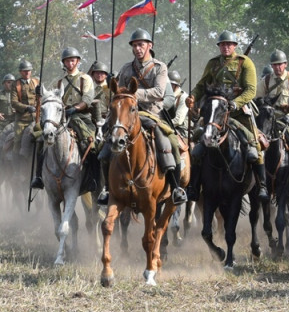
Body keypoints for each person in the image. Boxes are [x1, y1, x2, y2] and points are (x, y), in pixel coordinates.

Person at [97, 29, 186, 206]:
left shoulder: (160, 67)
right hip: (126, 116)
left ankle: (176, 188)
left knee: (171, 143)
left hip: (151, 114)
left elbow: (159, 92)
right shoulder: (126, 68)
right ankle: (107, 188)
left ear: (149, 46)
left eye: (141, 45)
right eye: (135, 45)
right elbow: (118, 94)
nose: (138, 48)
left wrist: (134, 95)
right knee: (103, 150)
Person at [187, 30, 268, 202]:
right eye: (223, 44)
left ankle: (262, 186)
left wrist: (235, 103)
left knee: (255, 145)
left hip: (239, 113)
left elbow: (251, 90)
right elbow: (201, 85)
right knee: (197, 144)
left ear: (235, 46)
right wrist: (192, 97)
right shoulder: (213, 63)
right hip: (216, 113)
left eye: (229, 44)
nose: (226, 47)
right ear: (219, 46)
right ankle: (193, 187)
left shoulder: (245, 63)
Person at [29, 47, 95, 190]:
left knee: (90, 143)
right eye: (67, 61)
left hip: (81, 116)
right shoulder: (58, 81)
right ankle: (39, 177)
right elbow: (50, 97)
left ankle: (92, 178)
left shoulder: (86, 79)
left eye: (72, 60)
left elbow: (88, 99)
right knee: (40, 138)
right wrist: (40, 92)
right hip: (59, 117)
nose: (70, 64)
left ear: (77, 61)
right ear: (63, 63)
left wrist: (75, 108)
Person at [257, 49, 289, 150]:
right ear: (271, 65)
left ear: (286, 64)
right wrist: (260, 102)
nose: (277, 67)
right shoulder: (266, 80)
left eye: (280, 64)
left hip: (287, 119)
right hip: (267, 118)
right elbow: (255, 97)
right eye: (275, 65)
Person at [166, 70, 189, 134]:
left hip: (180, 128)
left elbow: (178, 120)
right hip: (165, 124)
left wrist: (163, 124)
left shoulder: (183, 97)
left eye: (171, 84)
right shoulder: (164, 95)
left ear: (176, 86)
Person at [89, 61, 111, 126]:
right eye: (97, 73)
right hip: (90, 118)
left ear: (106, 75)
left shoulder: (109, 88)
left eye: (102, 73)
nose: (99, 75)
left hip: (106, 118)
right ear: (93, 74)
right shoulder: (88, 87)